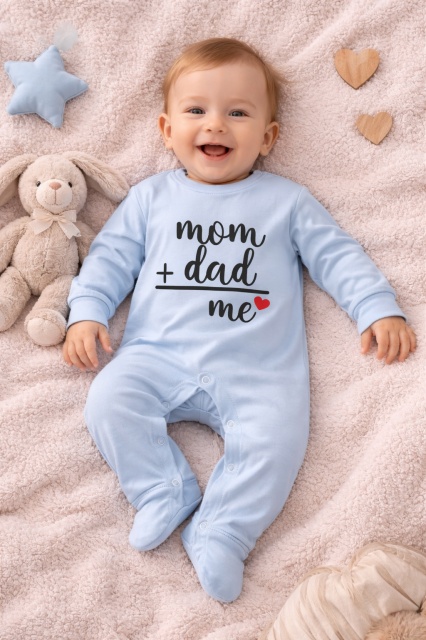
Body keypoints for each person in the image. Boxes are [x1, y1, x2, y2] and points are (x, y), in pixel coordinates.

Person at [63, 38, 416, 602]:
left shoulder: (287, 202)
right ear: (166, 129)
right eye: (196, 110)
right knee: (109, 399)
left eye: (238, 113)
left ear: (268, 138)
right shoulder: (151, 199)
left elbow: (338, 255)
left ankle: (224, 530)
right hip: (157, 356)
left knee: (276, 444)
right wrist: (87, 313)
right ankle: (162, 488)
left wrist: (376, 306)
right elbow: (108, 259)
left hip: (259, 373)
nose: (216, 125)